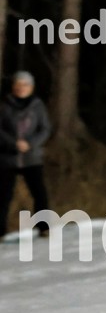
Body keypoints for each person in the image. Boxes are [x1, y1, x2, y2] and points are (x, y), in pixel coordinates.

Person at [0, 71, 52, 239]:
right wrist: (13, 143)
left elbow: (45, 129)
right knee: (3, 196)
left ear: (31, 87)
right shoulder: (4, 106)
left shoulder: (38, 106)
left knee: (39, 193)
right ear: (13, 86)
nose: (21, 88)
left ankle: (43, 227)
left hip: (32, 157)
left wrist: (30, 143)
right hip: (8, 158)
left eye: (25, 84)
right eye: (18, 84)